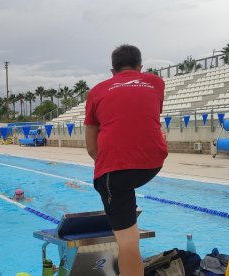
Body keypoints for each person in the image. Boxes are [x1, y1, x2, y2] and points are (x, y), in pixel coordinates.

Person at [84, 44, 168, 276]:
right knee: (124, 184)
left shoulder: (97, 91)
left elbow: (92, 146)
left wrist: (108, 166)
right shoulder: (155, 82)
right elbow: (143, 117)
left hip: (115, 170)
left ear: (112, 71)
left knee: (128, 242)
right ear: (140, 67)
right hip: (154, 162)